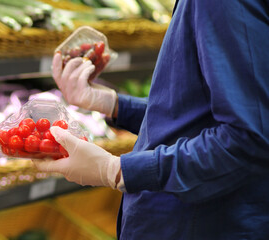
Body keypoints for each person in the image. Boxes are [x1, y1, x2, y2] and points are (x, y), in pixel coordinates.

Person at [33, 0, 269, 239]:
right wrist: (113, 104)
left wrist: (117, 170)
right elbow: (210, 115)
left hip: (202, 225)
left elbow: (249, 138)